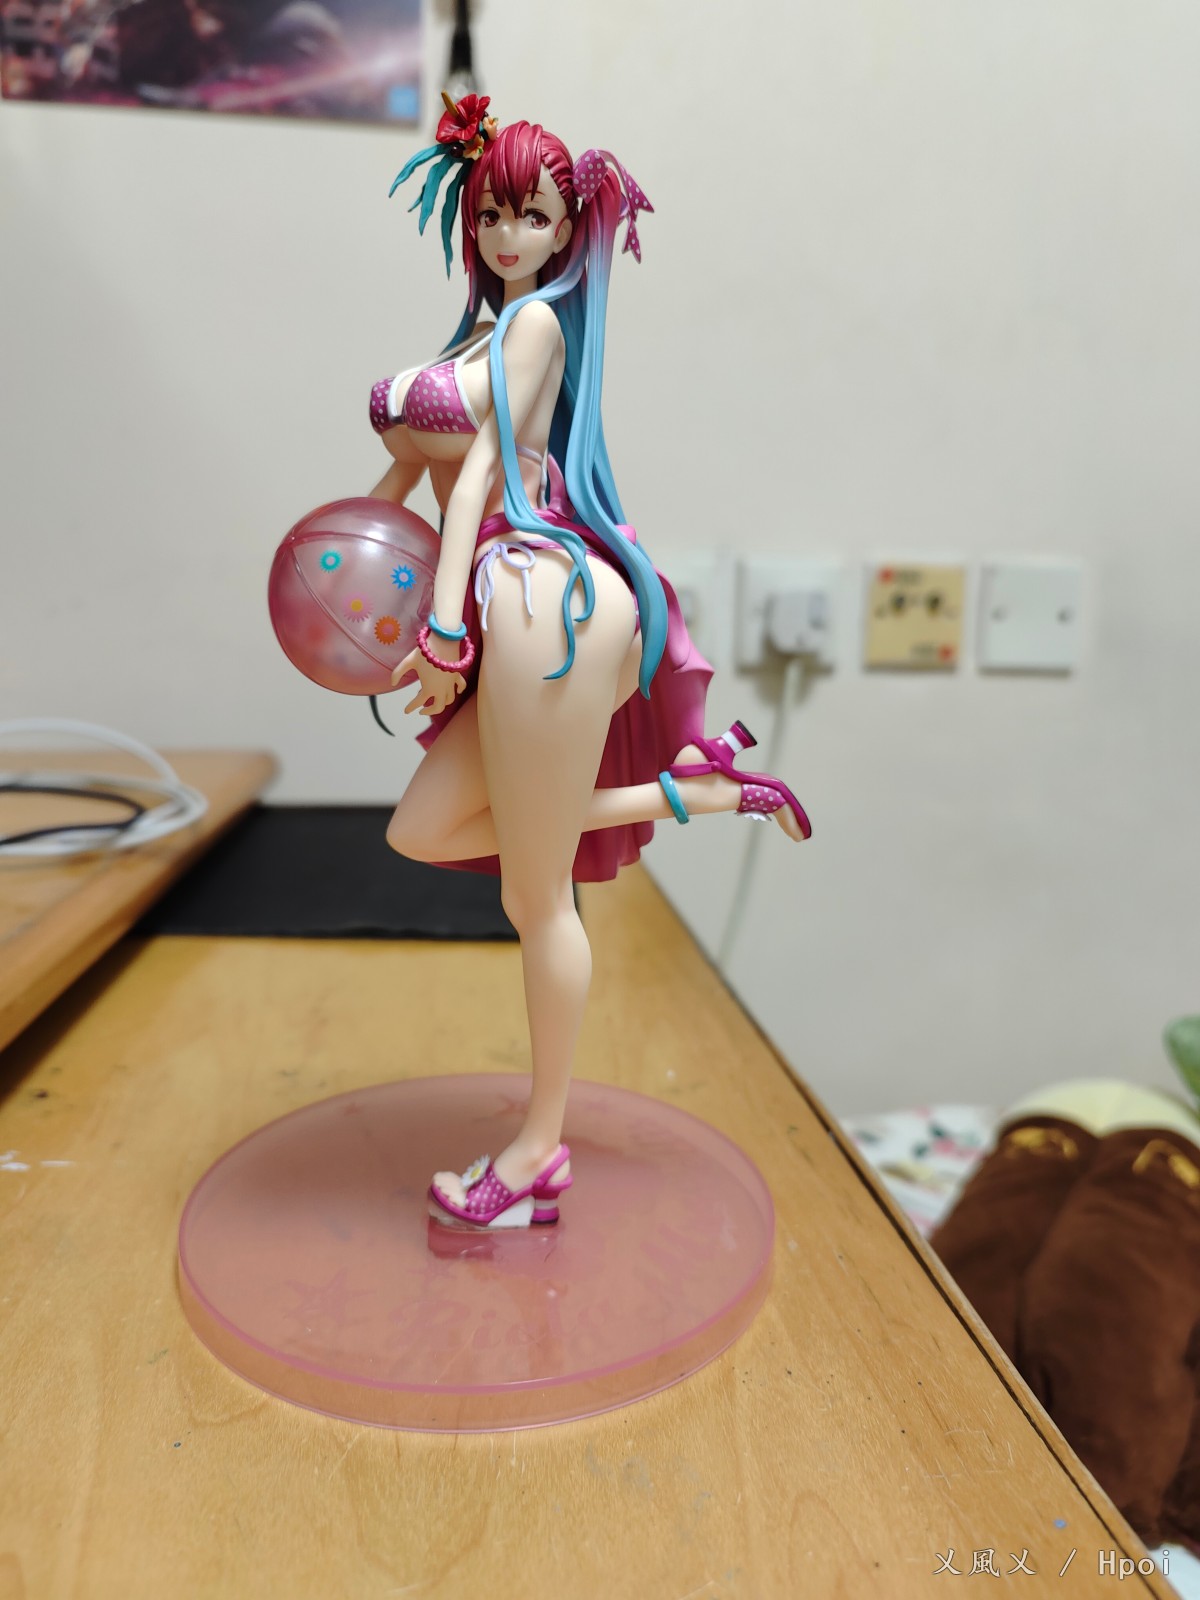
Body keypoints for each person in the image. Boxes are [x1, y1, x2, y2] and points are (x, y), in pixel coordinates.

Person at [370, 94, 811, 1229]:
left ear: (567, 229)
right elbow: (410, 480)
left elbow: (479, 472)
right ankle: (699, 792)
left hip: (535, 600)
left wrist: (447, 625)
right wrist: (357, 571)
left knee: (537, 894)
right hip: (504, 596)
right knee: (424, 827)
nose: (508, 235)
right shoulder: (479, 334)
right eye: (491, 214)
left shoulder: (536, 327)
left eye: (532, 216)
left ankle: (536, 1152)